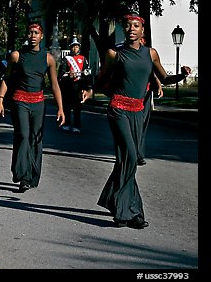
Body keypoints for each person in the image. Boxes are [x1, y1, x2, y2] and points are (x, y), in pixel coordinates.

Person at [81, 13, 191, 229]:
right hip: (118, 110)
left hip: (138, 112)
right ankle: (125, 208)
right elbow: (102, 79)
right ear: (124, 29)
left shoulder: (151, 54)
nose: (131, 29)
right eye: (128, 26)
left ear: (142, 31)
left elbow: (164, 78)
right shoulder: (114, 54)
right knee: (131, 156)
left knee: (125, 160)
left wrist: (181, 75)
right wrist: (90, 91)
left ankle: (127, 210)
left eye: (136, 26)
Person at [0, 21, 65, 193]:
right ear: (27, 35)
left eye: (36, 33)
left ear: (41, 36)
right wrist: (0, 99)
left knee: (36, 139)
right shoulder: (17, 56)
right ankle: (23, 176)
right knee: (24, 136)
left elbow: (55, 85)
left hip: (38, 103)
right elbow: (7, 78)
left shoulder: (48, 59)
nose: (33, 36)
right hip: (20, 101)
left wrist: (61, 108)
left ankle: (32, 176)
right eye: (30, 32)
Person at [58, 37, 91, 133]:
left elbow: (87, 73)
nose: (75, 49)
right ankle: (67, 123)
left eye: (76, 47)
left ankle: (77, 125)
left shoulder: (83, 58)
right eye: (73, 47)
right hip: (68, 86)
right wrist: (69, 75)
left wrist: (86, 87)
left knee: (77, 108)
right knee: (67, 107)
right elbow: (61, 74)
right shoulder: (66, 59)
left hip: (79, 86)